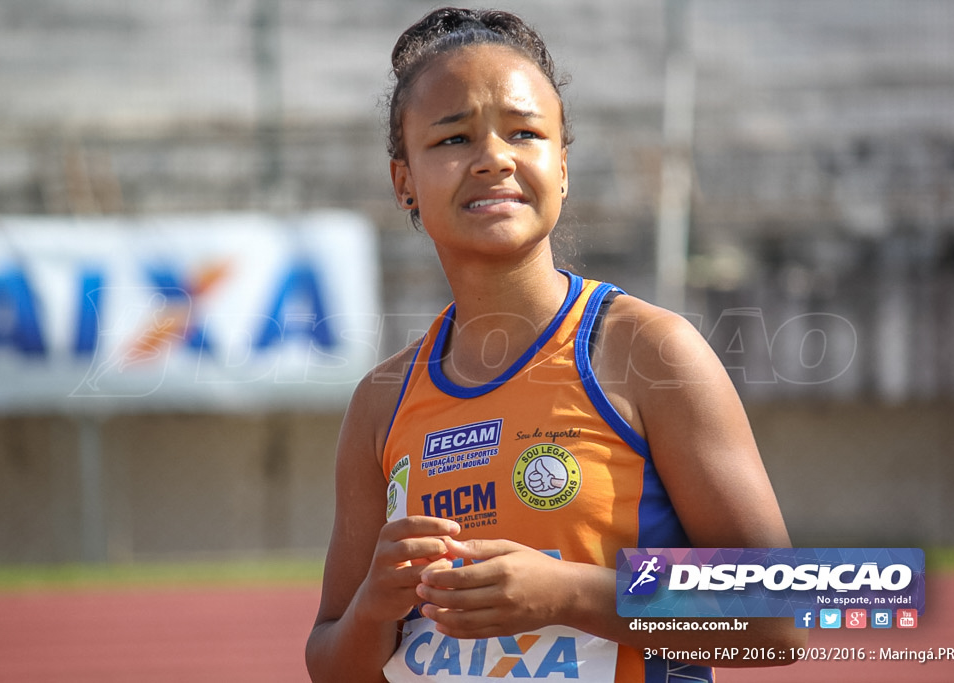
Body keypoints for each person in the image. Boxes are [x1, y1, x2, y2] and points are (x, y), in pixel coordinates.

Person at [306, 7, 803, 682]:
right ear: (404, 184)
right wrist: (373, 607)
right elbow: (331, 660)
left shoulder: (647, 351)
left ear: (561, 168)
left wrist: (568, 591)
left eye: (524, 133)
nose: (493, 158)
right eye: (453, 139)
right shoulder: (380, 404)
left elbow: (781, 617)